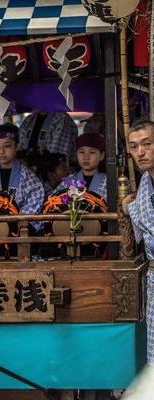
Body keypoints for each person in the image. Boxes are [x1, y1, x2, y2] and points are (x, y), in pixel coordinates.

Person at [122, 120, 154, 366]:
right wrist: (131, 206)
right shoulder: (145, 183)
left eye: (147, 144)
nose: (140, 153)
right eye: (134, 147)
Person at [0, 123, 45, 223]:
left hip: (20, 230)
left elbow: (32, 210)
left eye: (7, 146)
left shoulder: (29, 179)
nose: (1, 151)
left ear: (17, 147)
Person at [55, 133, 107, 202]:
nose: (86, 157)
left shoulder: (109, 181)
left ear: (102, 155)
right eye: (82, 152)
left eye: (92, 152)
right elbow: (54, 202)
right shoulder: (69, 181)